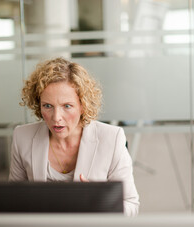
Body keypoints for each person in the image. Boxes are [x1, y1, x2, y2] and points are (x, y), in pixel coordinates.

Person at [9, 57, 139, 216]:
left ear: (83, 106)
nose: (56, 117)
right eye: (48, 106)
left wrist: (100, 202)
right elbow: (13, 201)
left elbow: (131, 205)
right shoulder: (22, 137)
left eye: (67, 106)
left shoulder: (112, 139)